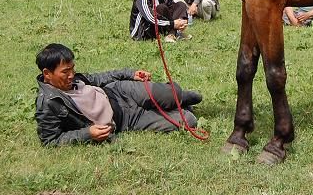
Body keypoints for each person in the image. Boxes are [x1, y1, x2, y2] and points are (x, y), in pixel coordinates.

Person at [35, 43, 202, 146]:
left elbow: (99, 78)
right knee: (188, 120)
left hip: (120, 92)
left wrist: (130, 74)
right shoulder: (48, 103)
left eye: (73, 69)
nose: (71, 75)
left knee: (168, 93)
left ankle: (179, 97)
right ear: (47, 73)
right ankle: (178, 104)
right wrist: (87, 134)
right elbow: (50, 140)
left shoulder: (73, 78)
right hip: (127, 120)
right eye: (65, 72)